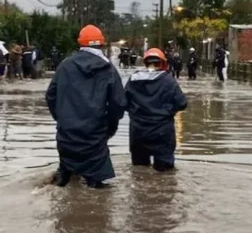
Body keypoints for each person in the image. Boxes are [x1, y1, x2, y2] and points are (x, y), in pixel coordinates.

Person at [46, 25, 126, 188]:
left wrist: (62, 120)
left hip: (66, 137)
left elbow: (50, 96)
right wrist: (109, 128)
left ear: (80, 44)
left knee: (64, 183)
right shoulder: (109, 70)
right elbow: (118, 104)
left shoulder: (65, 66)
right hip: (94, 139)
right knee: (97, 190)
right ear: (102, 45)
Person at [125, 48, 187, 172]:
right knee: (165, 173)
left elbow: (123, 102)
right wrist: (168, 112)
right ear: (163, 63)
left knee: (139, 171)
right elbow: (182, 103)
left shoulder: (133, 79)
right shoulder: (168, 81)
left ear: (145, 62)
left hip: (138, 131)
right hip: (162, 132)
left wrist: (136, 114)